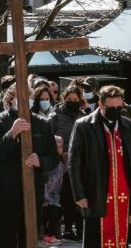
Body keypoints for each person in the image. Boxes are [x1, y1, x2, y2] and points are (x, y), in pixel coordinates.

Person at [68, 85, 131, 248]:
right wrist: (79, 194)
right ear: (100, 104)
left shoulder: (130, 126)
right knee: (95, 237)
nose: (116, 110)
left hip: (123, 192)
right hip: (96, 190)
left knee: (120, 237)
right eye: (111, 107)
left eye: (119, 107)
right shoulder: (84, 126)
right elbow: (74, 162)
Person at [0, 83, 60, 247]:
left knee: (29, 240)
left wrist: (40, 161)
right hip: (4, 194)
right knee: (2, 241)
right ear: (11, 99)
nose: (26, 100)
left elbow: (54, 157)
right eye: (21, 97)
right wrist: (12, 133)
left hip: (32, 193)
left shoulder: (42, 123)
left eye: (30, 97)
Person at [47, 85, 86, 241]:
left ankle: (80, 229)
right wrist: (59, 153)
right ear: (64, 99)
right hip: (60, 164)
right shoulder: (55, 115)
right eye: (69, 99)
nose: (72, 102)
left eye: (75, 99)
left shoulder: (83, 116)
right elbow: (49, 137)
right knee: (65, 198)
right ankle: (67, 228)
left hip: (78, 163)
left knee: (78, 195)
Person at [42, 136, 65, 247]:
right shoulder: (49, 159)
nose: (59, 149)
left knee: (56, 214)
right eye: (57, 147)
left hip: (56, 194)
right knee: (50, 213)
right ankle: (47, 235)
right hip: (46, 195)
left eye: (61, 147)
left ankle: (52, 234)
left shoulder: (62, 161)